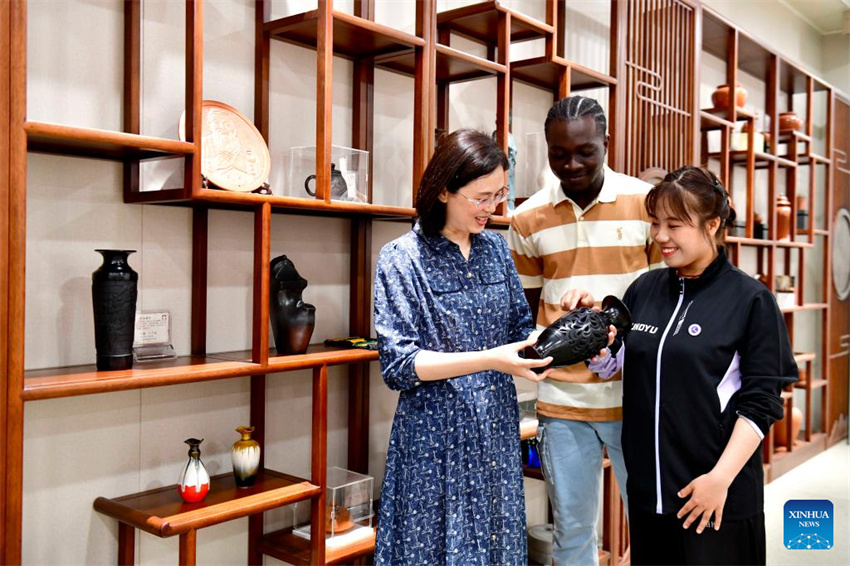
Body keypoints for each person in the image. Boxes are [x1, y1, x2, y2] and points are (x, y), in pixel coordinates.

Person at [587, 166, 798, 565]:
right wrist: (601, 353)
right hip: (649, 495)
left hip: (715, 495)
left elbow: (762, 403)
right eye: (655, 223)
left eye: (674, 225)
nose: (660, 236)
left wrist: (719, 480)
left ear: (712, 224)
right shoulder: (644, 289)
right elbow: (623, 362)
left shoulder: (751, 300)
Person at [373, 129, 554, 566]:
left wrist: (555, 332)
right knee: (431, 549)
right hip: (432, 436)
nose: (492, 208)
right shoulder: (402, 257)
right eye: (480, 198)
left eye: (499, 195)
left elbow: (518, 328)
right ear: (443, 191)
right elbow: (399, 364)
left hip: (495, 429)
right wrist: (491, 359)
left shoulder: (496, 251)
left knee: (496, 546)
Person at [507, 95, 662, 565]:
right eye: (559, 154)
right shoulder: (527, 217)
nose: (571, 165)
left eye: (585, 152)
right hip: (563, 402)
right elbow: (529, 310)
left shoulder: (645, 204)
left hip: (636, 396)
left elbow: (663, 301)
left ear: (607, 143)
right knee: (572, 532)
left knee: (652, 527)